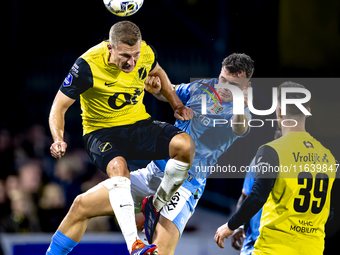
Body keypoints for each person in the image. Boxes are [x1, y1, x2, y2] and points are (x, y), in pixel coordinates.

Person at [47, 21, 195, 255]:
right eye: (126, 56)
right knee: (117, 168)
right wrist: (58, 138)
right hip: (101, 132)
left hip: (138, 126)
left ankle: (155, 206)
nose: (132, 62)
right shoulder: (86, 65)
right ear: (110, 48)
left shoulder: (145, 52)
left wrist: (176, 104)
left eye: (135, 55)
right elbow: (58, 107)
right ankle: (134, 244)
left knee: (184, 144)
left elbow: (158, 72)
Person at [140, 53, 254, 255]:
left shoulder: (241, 111)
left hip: (186, 183)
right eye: (222, 79)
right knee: (83, 206)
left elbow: (240, 128)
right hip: (156, 168)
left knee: (160, 251)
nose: (224, 87)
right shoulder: (204, 87)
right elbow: (171, 92)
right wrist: (158, 90)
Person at [214, 81, 339, 255]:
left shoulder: (273, 151)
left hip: (274, 248)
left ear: (279, 111)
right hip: (313, 249)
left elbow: (257, 195)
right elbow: (328, 211)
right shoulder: (328, 157)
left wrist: (230, 226)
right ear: (308, 112)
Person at [230, 130, 281, 254]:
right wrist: (239, 225)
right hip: (255, 242)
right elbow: (245, 196)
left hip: (274, 243)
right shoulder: (260, 160)